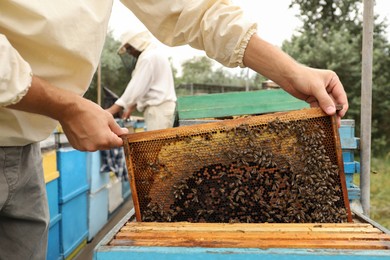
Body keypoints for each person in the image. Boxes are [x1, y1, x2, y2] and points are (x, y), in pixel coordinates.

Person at [0, 1, 348, 259]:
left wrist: (289, 70)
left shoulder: (150, 57)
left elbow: (194, 9)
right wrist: (67, 106)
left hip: (26, 142)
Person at [106, 29, 177, 131]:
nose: (129, 53)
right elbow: (146, 87)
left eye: (130, 49)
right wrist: (130, 107)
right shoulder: (154, 54)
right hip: (162, 110)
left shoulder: (148, 58)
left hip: (158, 111)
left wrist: (111, 110)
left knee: (157, 146)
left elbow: (135, 88)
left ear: (137, 43)